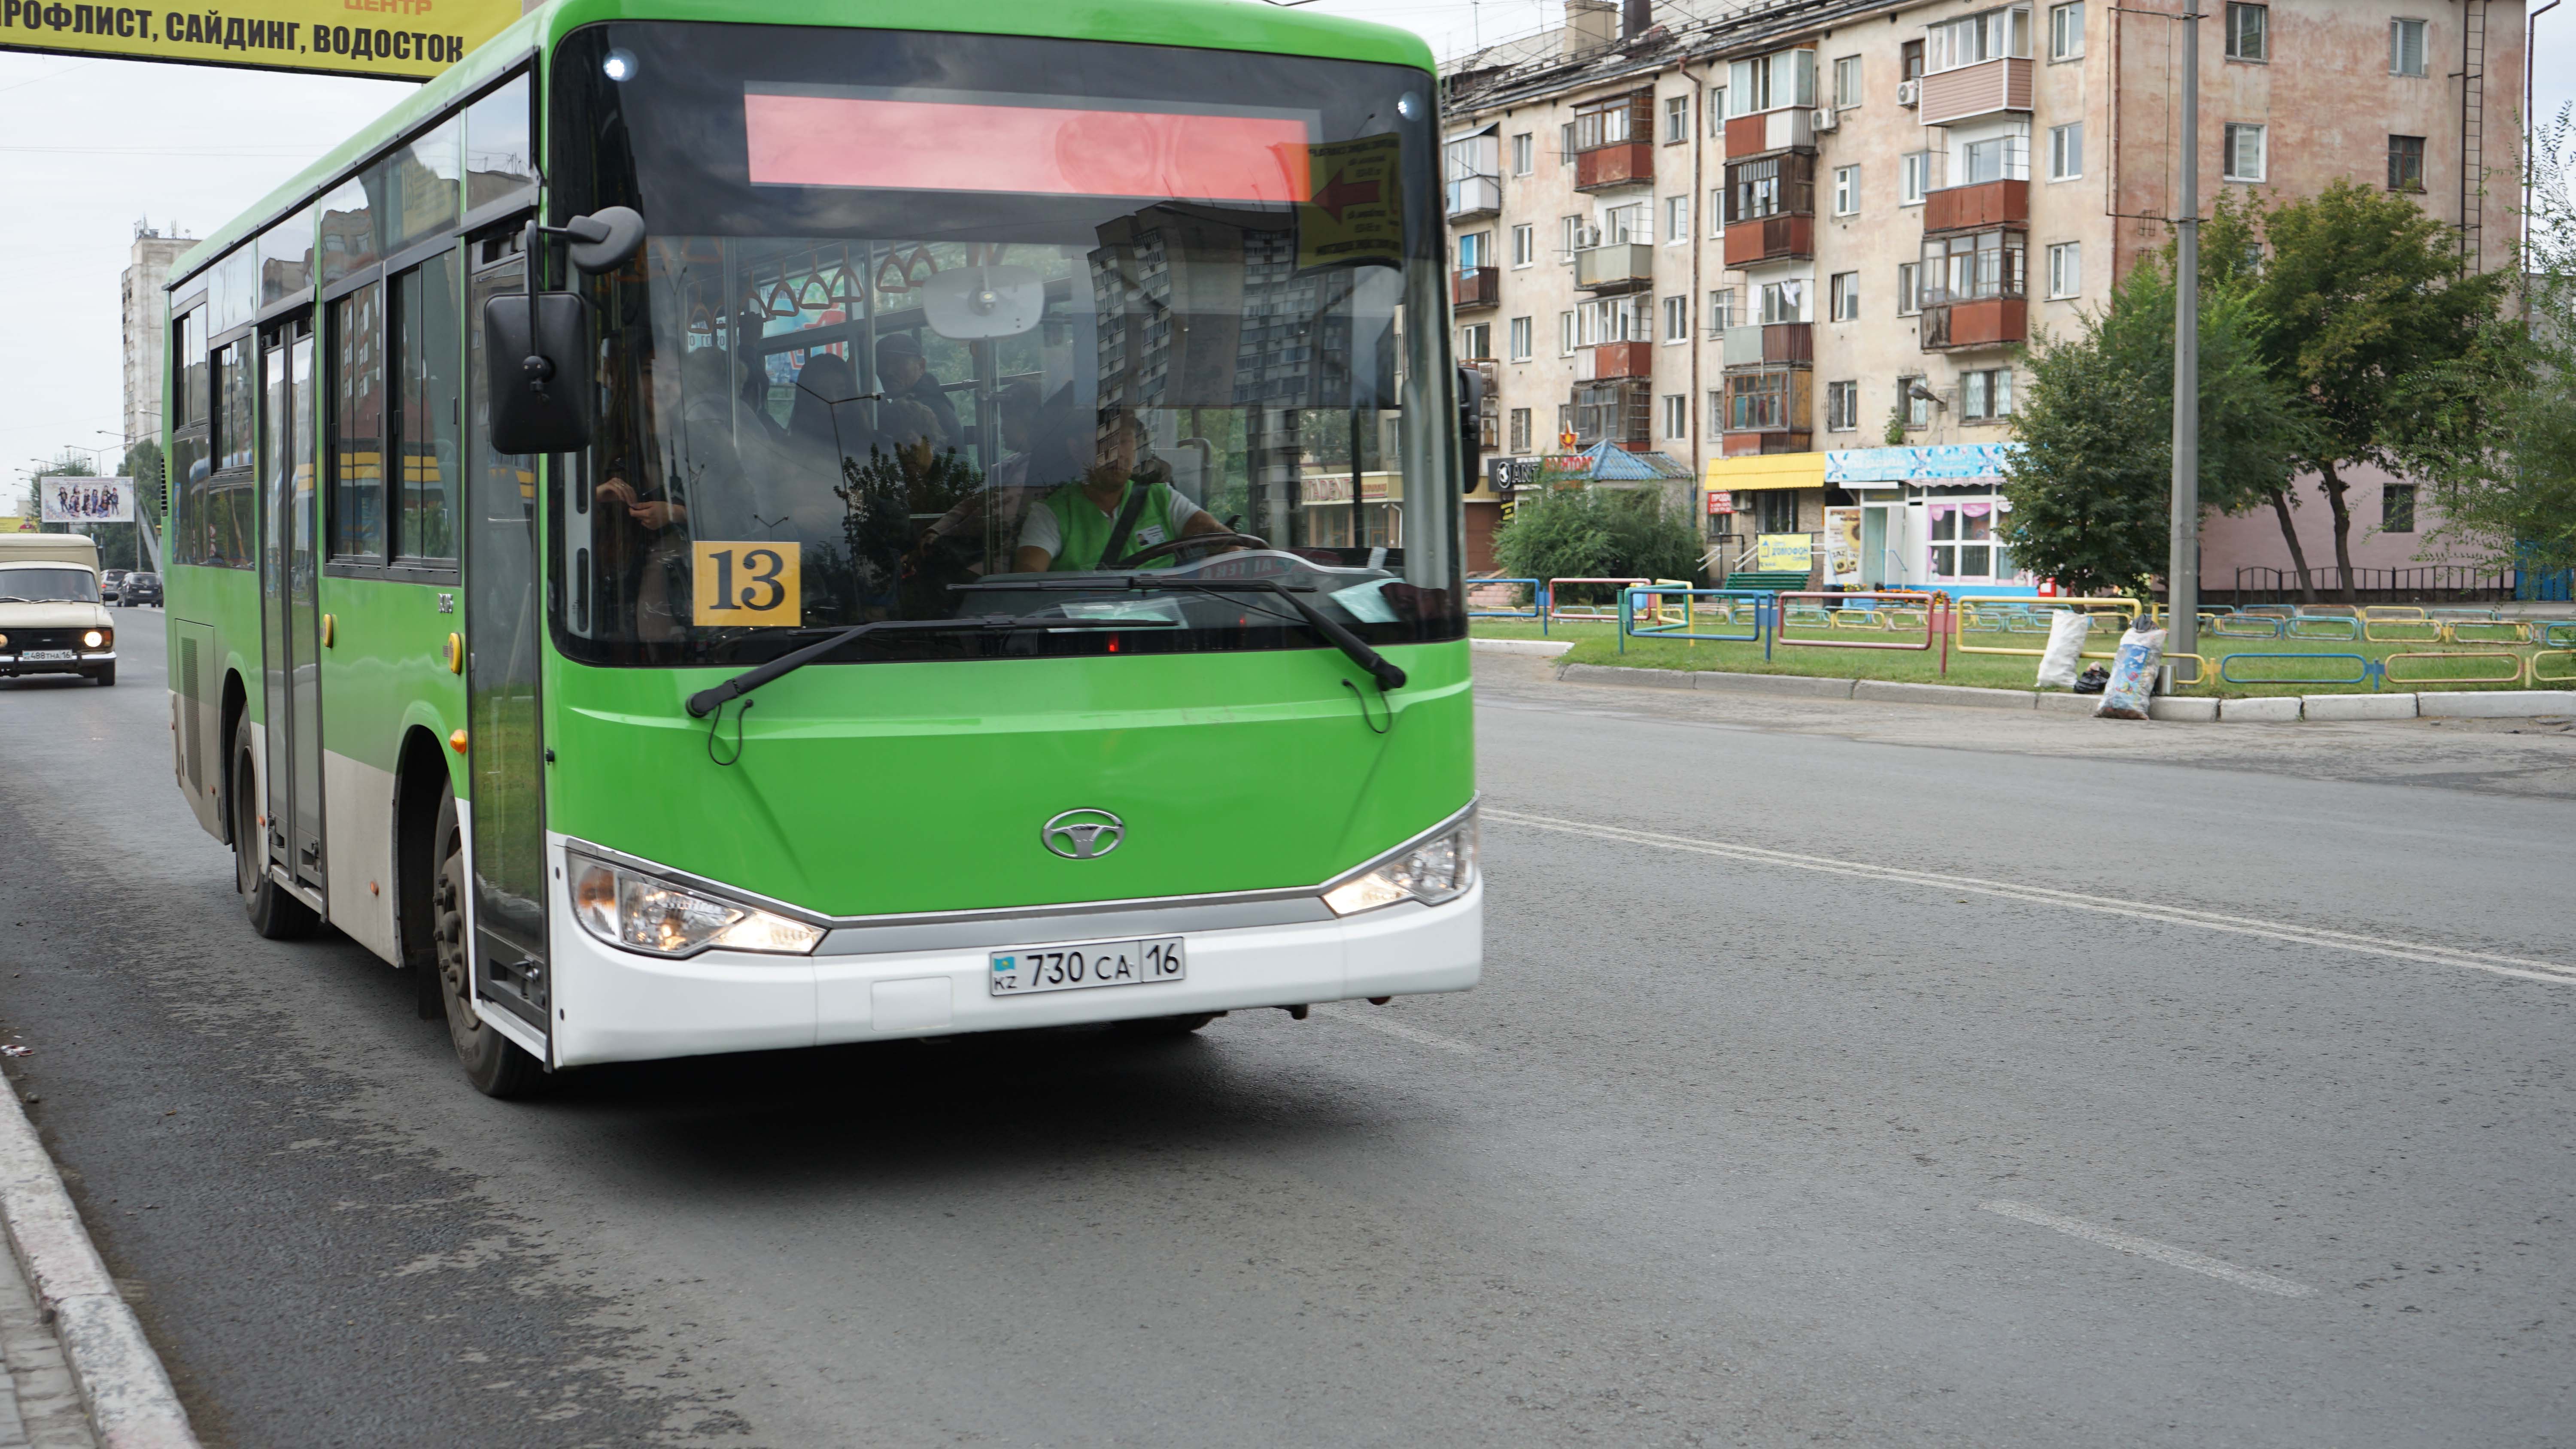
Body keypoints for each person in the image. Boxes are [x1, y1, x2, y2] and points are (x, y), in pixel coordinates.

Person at [1013, 408, 1233, 573]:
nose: (1117, 454)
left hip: (1163, 624)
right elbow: (1029, 579)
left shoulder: (1161, 498)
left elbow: (1220, 539)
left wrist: (1231, 553)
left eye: (1125, 442)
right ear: (1075, 449)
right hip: (1085, 627)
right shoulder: (1052, 513)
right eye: (1104, 445)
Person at [873, 332, 960, 450]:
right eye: (882, 364)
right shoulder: (934, 402)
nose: (888, 372)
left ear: (921, 366)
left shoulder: (923, 411)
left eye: (898, 363)